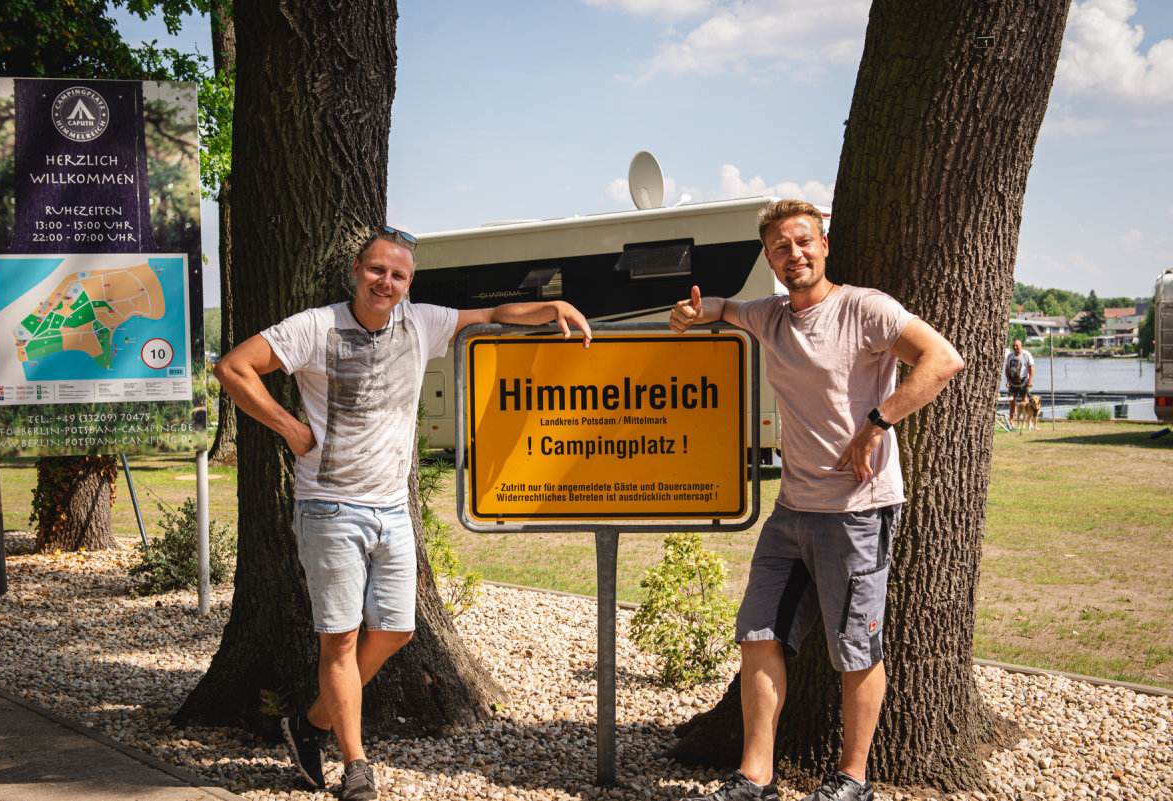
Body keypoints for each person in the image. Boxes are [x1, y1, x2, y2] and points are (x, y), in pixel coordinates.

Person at [213, 225, 592, 801]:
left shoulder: (422, 323)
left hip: (391, 509)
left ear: (408, 284)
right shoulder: (316, 326)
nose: (385, 282)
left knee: (395, 629)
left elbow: (493, 314)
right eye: (376, 270)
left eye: (398, 275)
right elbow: (234, 367)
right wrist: (291, 429)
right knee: (339, 642)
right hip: (330, 506)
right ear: (356, 273)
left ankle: (310, 725)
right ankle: (356, 765)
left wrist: (555, 305)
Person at [668, 200, 963, 801]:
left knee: (855, 648)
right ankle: (756, 779)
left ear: (824, 245)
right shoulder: (771, 317)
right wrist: (698, 313)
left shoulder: (865, 308)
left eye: (803, 242)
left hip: (857, 511)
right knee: (757, 633)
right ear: (770, 259)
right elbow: (727, 308)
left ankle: (853, 780)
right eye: (780, 247)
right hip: (791, 513)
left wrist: (878, 422)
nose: (793, 254)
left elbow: (943, 359)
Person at [1003, 338, 1035, 427]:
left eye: (1017, 345)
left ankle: (1029, 422)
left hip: (1024, 382)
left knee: (1025, 402)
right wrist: (1008, 380)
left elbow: (1031, 368)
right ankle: (1011, 422)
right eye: (1014, 346)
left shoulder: (1026, 355)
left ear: (1021, 346)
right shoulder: (1010, 356)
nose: (1015, 347)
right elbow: (1007, 369)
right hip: (1013, 383)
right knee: (1012, 402)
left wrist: (1030, 380)